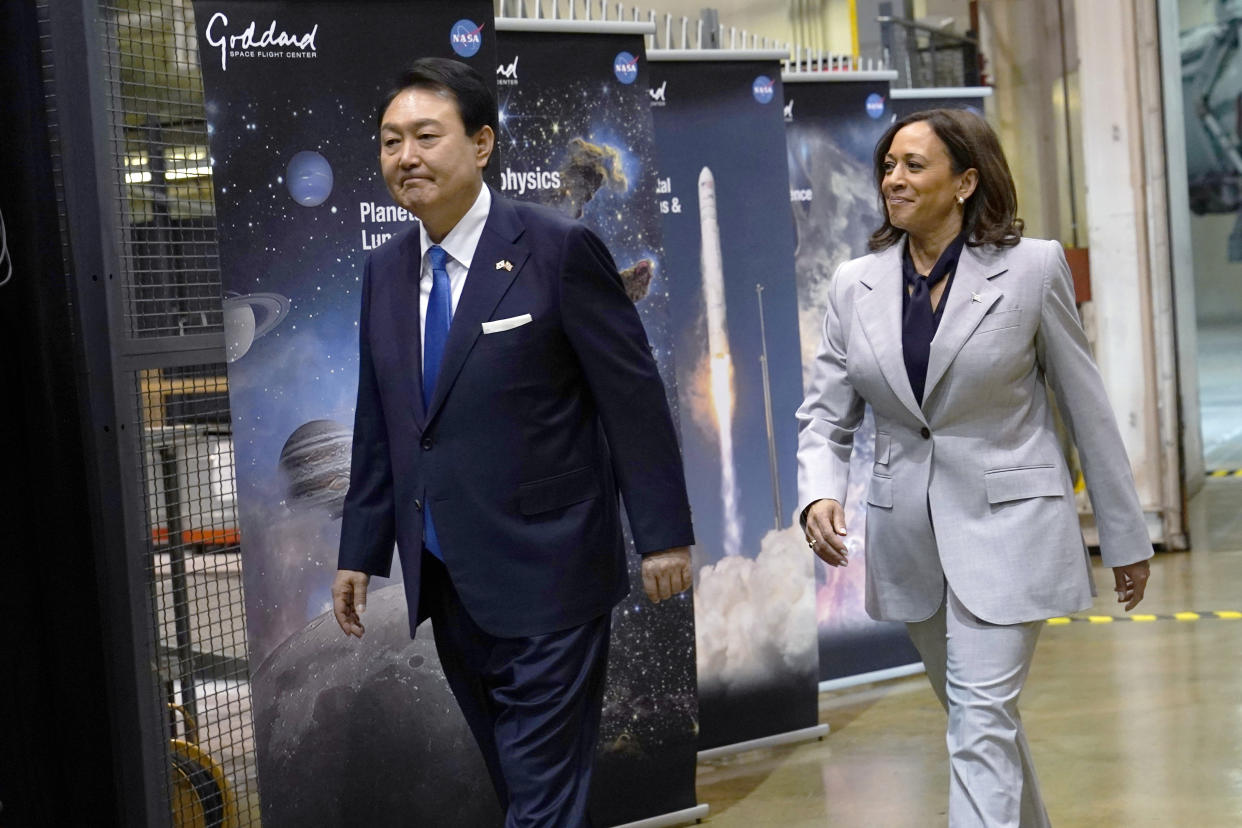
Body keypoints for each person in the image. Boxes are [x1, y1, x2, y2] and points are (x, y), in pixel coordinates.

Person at [331, 57, 694, 827]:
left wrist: (663, 535)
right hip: (447, 578)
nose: (407, 157)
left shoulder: (557, 249)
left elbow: (631, 399)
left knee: (538, 795)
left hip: (552, 571)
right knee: (523, 784)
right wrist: (360, 550)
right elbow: (383, 420)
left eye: (427, 136)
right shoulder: (385, 271)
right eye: (392, 141)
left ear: (483, 143)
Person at [796, 108, 1152, 827]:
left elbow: (1086, 409)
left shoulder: (1032, 269)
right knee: (975, 716)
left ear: (964, 181)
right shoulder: (853, 284)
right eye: (888, 165)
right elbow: (826, 415)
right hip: (910, 540)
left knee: (980, 718)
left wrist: (1124, 537)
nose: (893, 179)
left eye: (913, 166)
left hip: (1012, 528)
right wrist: (818, 496)